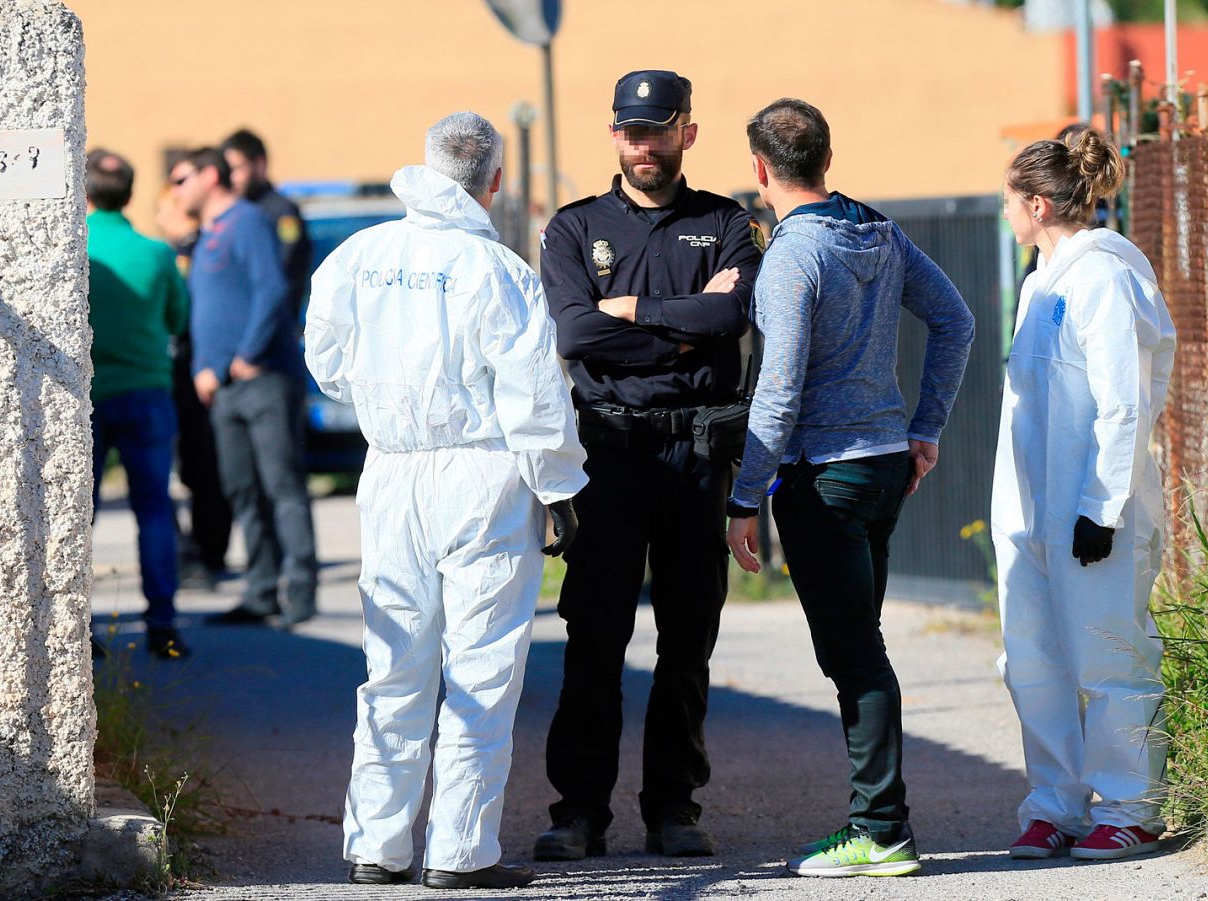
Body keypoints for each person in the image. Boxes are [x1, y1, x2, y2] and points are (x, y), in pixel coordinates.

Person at [306, 112, 587, 890]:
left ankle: (377, 844)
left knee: (393, 659)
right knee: (481, 667)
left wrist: (381, 396)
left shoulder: (359, 256)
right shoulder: (498, 270)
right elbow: (535, 394)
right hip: (483, 473)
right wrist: (558, 488)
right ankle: (460, 851)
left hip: (392, 470)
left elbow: (325, 363)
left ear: (426, 167)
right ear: (494, 181)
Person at [724, 98, 974, 878]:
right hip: (882, 465)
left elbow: (779, 388)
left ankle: (882, 830)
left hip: (825, 476)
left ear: (760, 169)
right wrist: (925, 426)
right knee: (860, 647)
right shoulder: (878, 230)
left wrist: (744, 496)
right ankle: (875, 819)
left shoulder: (793, 255)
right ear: (826, 158)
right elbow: (956, 319)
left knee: (855, 655)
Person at [536, 70, 762, 862]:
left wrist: (631, 311)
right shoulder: (574, 228)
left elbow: (732, 315)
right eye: (631, 132)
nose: (644, 146)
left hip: (695, 451)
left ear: (686, 133)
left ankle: (674, 806)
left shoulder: (725, 222)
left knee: (687, 638)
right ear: (614, 136)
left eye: (659, 130)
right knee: (595, 636)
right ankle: (579, 812)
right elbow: (574, 335)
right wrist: (684, 329)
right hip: (608, 451)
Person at [994, 126, 1176, 862]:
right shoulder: (1041, 284)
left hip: (1095, 510)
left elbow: (1123, 402)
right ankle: (1056, 805)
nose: (1006, 211)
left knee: (1109, 657)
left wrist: (1101, 506)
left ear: (1037, 205)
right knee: (1033, 660)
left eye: (1010, 200)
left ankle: (1132, 805)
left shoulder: (1105, 276)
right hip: (1033, 511)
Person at [171, 147, 319, 628]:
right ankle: (260, 591)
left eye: (181, 179)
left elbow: (272, 288)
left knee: (282, 486)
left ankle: (300, 590)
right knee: (242, 491)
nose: (175, 190)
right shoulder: (207, 234)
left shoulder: (248, 221)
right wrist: (203, 367)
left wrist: (247, 356)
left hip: (262, 379)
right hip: (222, 388)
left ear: (209, 176)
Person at [85, 149, 192, 659]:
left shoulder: (76, 249)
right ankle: (163, 626)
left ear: (83, 191)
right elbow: (177, 319)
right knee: (154, 511)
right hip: (146, 391)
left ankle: (78, 630)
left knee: (77, 515)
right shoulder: (156, 254)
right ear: (129, 193)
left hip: (85, 396)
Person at [159, 158, 234, 589]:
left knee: (204, 468)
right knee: (190, 469)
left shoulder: (193, 252)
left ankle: (206, 554)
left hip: (196, 375)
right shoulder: (177, 253)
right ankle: (195, 553)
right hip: (179, 376)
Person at [221, 128, 314, 326]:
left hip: (273, 327)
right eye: (227, 171)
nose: (231, 178)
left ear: (259, 164)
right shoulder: (233, 212)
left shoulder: (281, 212)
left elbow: (280, 268)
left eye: (236, 169)